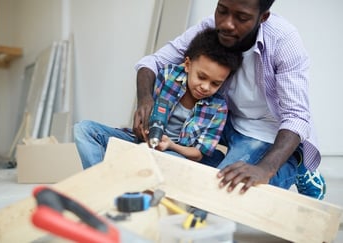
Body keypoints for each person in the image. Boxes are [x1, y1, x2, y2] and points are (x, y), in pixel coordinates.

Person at [133, 0, 326, 199]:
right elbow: (153, 62)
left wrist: (264, 169)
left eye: (241, 18)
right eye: (222, 10)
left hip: (264, 129)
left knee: (226, 192)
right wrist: (145, 100)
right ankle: (215, 159)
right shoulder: (211, 26)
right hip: (223, 115)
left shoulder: (284, 40)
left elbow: (297, 117)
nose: (227, 24)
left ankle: (294, 166)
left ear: (263, 17)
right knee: (187, 170)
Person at [74, 28, 242, 169]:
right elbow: (148, 112)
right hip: (144, 142)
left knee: (170, 160)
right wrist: (144, 129)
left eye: (215, 83)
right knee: (84, 130)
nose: (205, 87)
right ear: (188, 65)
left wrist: (170, 145)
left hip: (176, 154)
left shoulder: (218, 108)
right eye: (201, 77)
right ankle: (101, 181)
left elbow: (198, 153)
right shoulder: (168, 75)